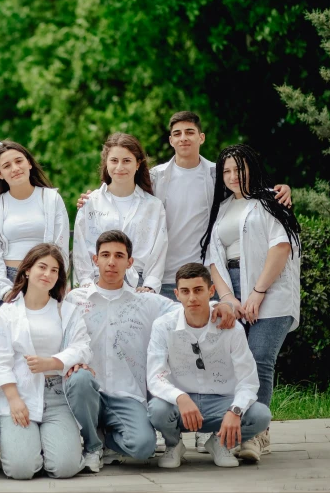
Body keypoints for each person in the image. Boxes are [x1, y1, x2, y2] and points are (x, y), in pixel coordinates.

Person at [64, 231, 236, 472]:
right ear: (95, 260)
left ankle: (108, 438)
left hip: (127, 393)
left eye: (119, 255)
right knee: (80, 380)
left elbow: (186, 309)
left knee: (144, 447)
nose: (111, 261)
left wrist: (218, 305)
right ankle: (93, 446)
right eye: (105, 255)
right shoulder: (75, 300)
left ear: (130, 262)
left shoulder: (147, 302)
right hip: (89, 390)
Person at [201, 144, 301, 461]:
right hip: (231, 289)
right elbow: (213, 259)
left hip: (268, 288)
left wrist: (257, 292)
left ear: (252, 168)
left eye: (239, 169)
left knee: (259, 358)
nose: (233, 176)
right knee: (233, 364)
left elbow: (281, 246)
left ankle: (257, 436)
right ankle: (233, 432)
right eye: (227, 171)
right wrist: (229, 297)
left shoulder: (270, 200)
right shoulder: (222, 208)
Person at [149, 112, 291, 301]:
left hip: (207, 277)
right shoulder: (155, 178)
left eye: (189, 132)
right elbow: (126, 194)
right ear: (171, 140)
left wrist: (281, 190)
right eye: (177, 134)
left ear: (201, 137)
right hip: (164, 277)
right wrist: (95, 195)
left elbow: (245, 190)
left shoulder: (218, 175)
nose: (183, 138)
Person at [147, 263, 272, 469]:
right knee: (157, 410)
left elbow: (248, 380)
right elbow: (155, 376)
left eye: (198, 290)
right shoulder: (163, 326)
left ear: (211, 291)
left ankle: (220, 442)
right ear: (177, 294)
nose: (192, 298)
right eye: (185, 292)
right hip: (181, 405)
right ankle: (174, 444)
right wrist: (180, 397)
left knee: (260, 415)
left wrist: (235, 410)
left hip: (221, 402)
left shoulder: (231, 328)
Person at [0, 244, 90, 479]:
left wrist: (53, 363)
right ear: (26, 270)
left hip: (56, 396)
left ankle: (54, 444)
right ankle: (33, 445)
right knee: (21, 470)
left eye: (54, 270)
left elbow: (82, 348)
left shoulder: (65, 310)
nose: (48, 274)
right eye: (42, 267)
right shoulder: (7, 313)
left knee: (65, 468)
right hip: (20, 394)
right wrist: (14, 400)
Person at [73, 133, 168, 293]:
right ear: (106, 163)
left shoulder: (153, 206)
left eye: (126, 161)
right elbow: (80, 248)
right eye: (114, 161)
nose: (120, 167)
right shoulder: (91, 203)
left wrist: (150, 286)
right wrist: (87, 286)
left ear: (137, 164)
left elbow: (159, 250)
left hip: (140, 284)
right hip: (98, 284)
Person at [0, 141, 70, 315]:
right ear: (0, 174)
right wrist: (5, 291)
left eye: (19, 161)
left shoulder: (51, 199)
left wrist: (54, 280)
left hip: (45, 279)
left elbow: (60, 246)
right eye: (7, 166)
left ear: (29, 163)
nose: (15, 168)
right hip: (8, 281)